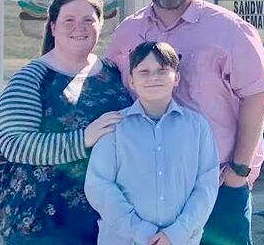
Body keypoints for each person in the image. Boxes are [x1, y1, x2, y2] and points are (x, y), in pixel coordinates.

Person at [106, 0, 264, 245]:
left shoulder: (230, 29)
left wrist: (239, 169)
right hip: (147, 186)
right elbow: (113, 90)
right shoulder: (127, 33)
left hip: (219, 183)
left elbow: (258, 94)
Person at [0, 0, 133, 244]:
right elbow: (13, 143)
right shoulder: (34, 77)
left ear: (100, 25)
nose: (79, 27)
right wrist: (83, 139)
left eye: (89, 19)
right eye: (69, 20)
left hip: (108, 214)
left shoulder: (113, 72)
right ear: (53, 27)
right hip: (45, 219)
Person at [85, 41, 219, 245]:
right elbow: (99, 185)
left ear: (177, 78)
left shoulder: (197, 127)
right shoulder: (114, 127)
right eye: (144, 71)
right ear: (131, 80)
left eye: (162, 70)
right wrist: (141, 231)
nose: (153, 77)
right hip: (124, 239)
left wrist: (176, 232)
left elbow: (206, 185)